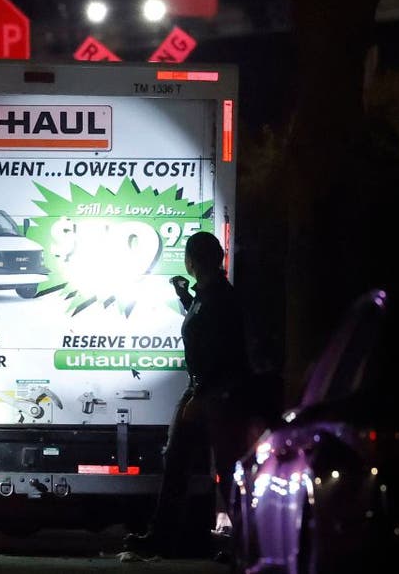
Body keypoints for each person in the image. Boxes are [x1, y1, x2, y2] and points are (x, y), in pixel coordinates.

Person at [124, 231, 253, 559]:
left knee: (221, 468)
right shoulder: (209, 294)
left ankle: (247, 545)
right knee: (178, 463)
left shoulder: (219, 297)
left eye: (188, 256)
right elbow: (202, 328)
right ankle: (161, 539)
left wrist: (201, 392)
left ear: (193, 260)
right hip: (205, 389)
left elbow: (221, 350)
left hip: (215, 393)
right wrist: (184, 296)